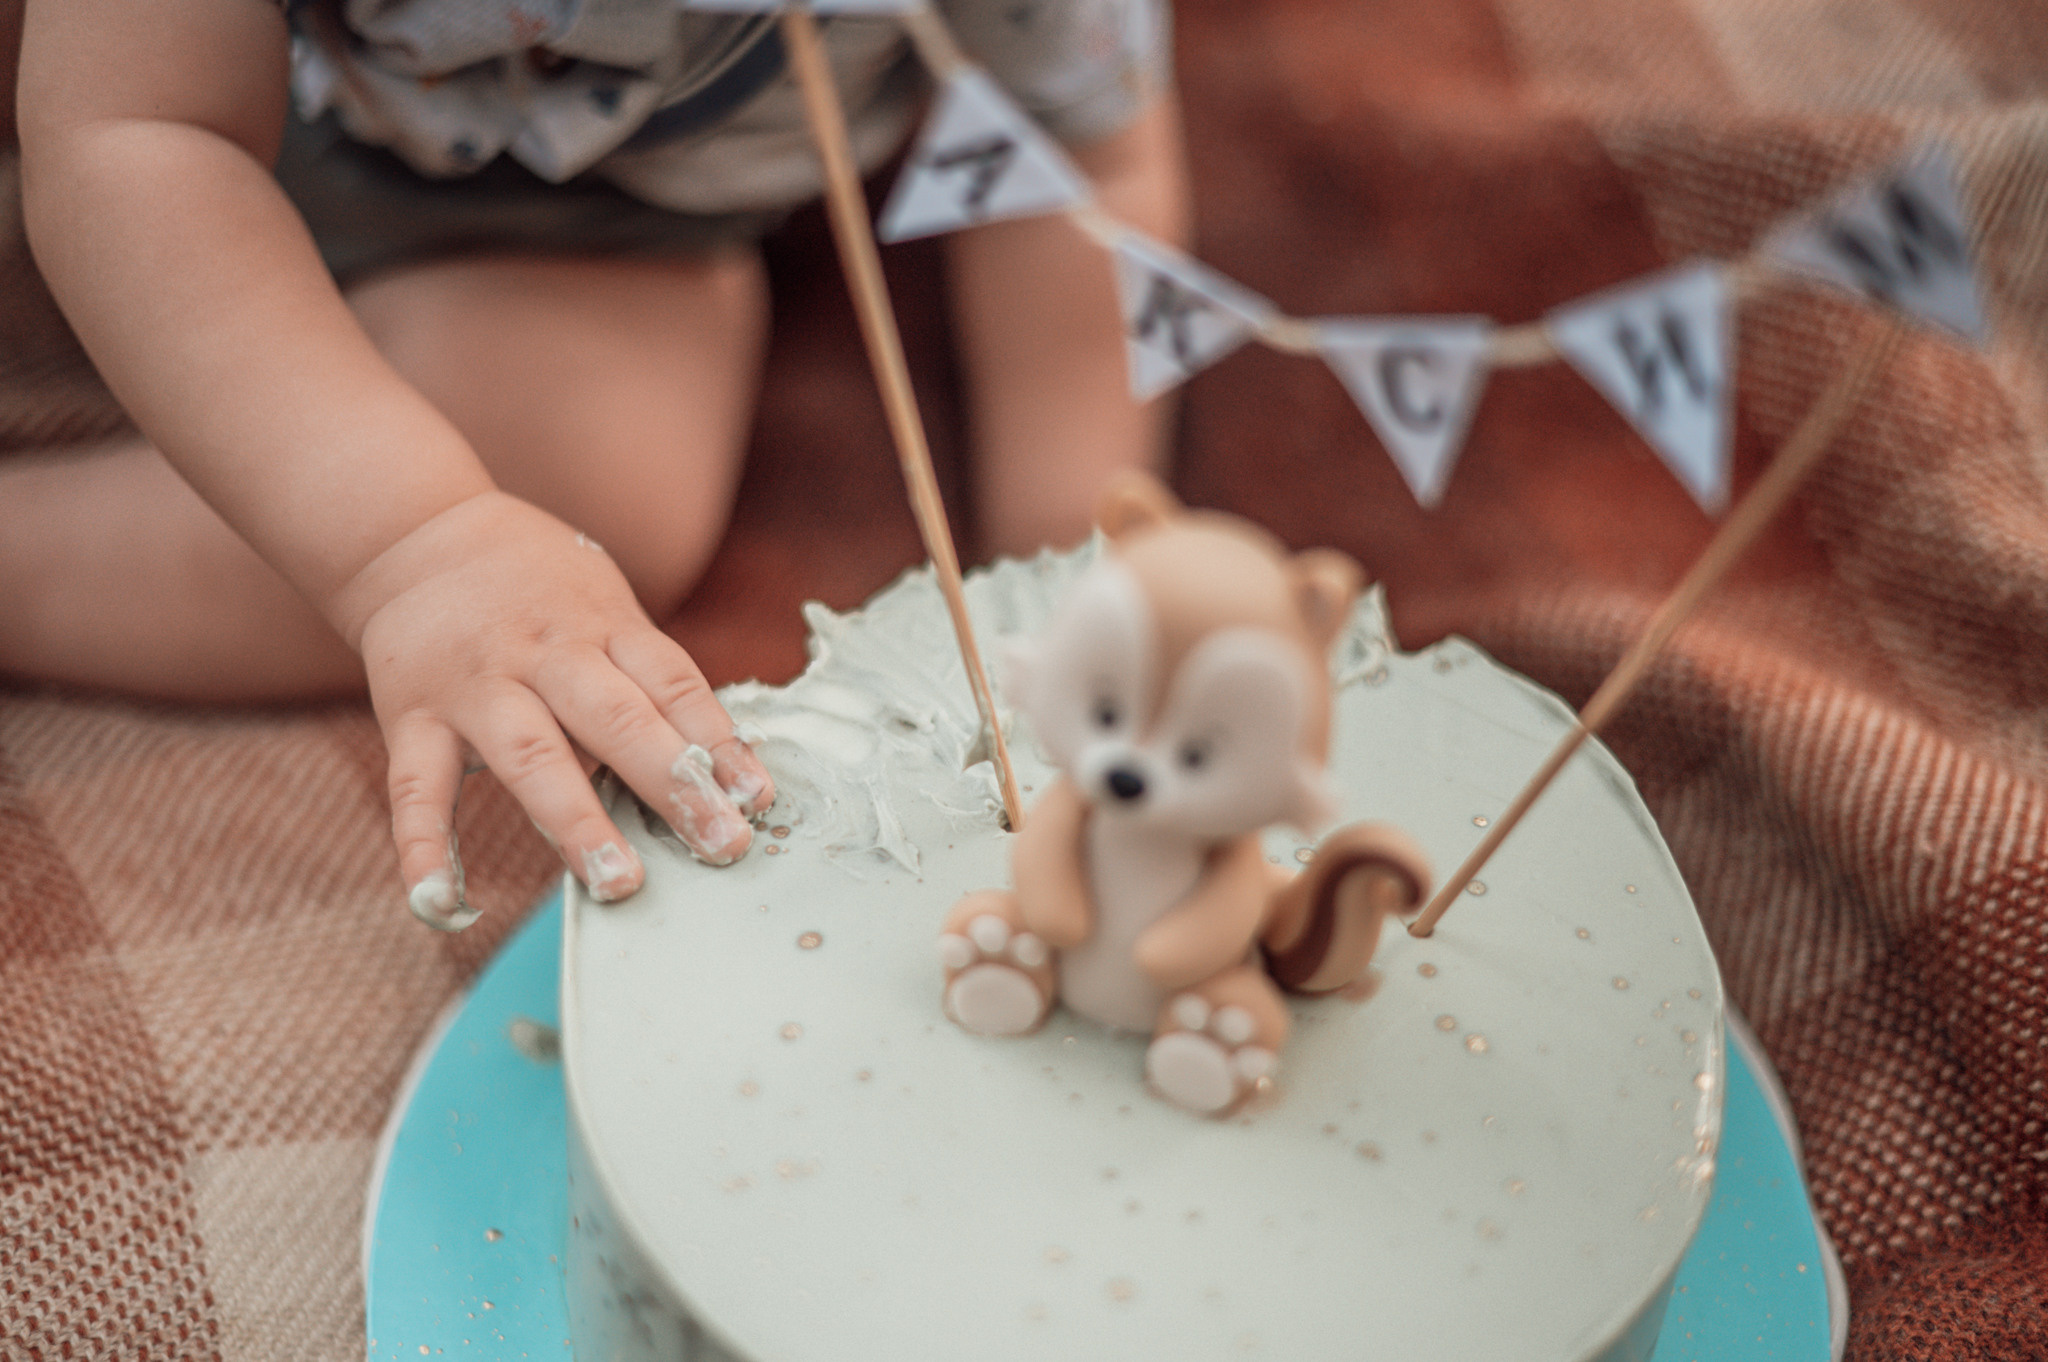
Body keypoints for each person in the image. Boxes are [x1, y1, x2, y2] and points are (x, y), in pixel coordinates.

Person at [4, 0, 1190, 921]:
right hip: (208, 121)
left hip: (626, 227)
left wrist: (1065, 573)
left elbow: (1080, 169)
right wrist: (410, 542)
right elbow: (132, 131)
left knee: (596, 481)